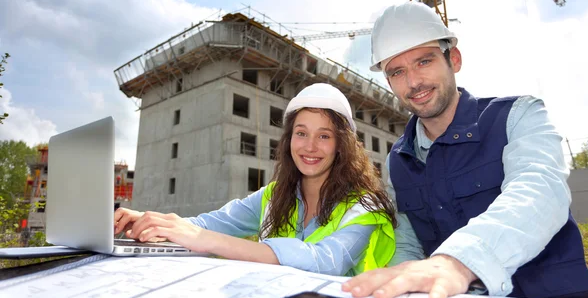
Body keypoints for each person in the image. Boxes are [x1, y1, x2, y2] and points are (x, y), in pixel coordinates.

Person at [342, 1, 588, 298]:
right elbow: (406, 241)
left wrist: (457, 262)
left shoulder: (518, 116)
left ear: (454, 58)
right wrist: (406, 294)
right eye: (397, 71)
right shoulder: (397, 159)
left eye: (424, 62)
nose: (413, 82)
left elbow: (540, 192)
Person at [114, 83, 397, 276]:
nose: (309, 146)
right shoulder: (273, 196)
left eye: (324, 136)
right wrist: (151, 220)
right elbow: (207, 224)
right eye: (301, 133)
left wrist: (206, 240)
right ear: (289, 139)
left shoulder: (365, 206)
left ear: (341, 145)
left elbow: (326, 260)